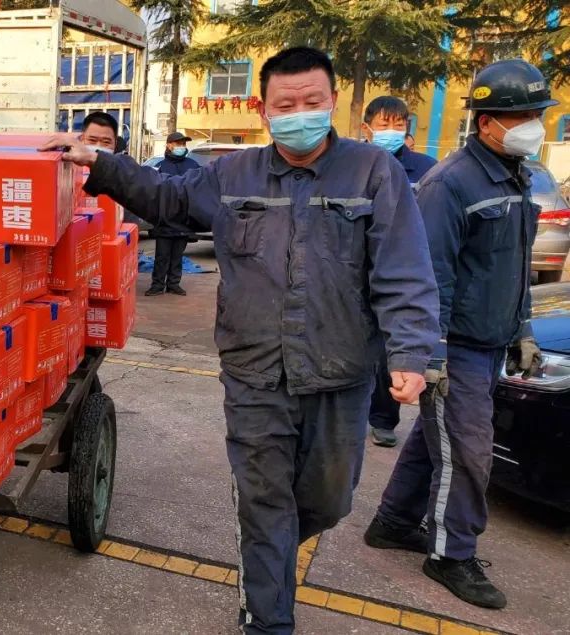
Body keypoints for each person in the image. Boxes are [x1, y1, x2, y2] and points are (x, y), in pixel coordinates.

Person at [42, 46, 439, 634]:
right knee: (263, 500)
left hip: (339, 372)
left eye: (312, 102)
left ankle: (273, 547)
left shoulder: (373, 173)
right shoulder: (233, 174)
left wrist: (409, 351)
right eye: (286, 105)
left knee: (329, 500)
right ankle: (267, 617)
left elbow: (403, 267)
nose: (299, 114)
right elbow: (168, 198)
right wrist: (98, 162)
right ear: (264, 109)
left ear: (333, 101)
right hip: (255, 372)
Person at [364, 59, 555, 611]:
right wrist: (432, 356)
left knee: (439, 439)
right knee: (469, 454)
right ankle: (452, 555)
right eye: (522, 115)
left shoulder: (514, 175)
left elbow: (512, 267)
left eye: (537, 113)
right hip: (457, 348)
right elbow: (429, 277)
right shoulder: (450, 184)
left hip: (491, 343)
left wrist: (522, 329)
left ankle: (394, 522)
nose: (533, 125)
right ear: (487, 121)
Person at [360, 96, 439, 448]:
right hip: (357, 273)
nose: (390, 131)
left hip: (401, 269)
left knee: (391, 351)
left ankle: (383, 419)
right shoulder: (352, 166)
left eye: (398, 124)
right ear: (367, 128)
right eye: (383, 124)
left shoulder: (427, 170)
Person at [146, 131, 200, 296]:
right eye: (178, 144)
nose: (181, 147)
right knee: (162, 255)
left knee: (177, 255)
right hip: (164, 218)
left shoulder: (193, 165)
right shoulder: (159, 166)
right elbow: (152, 191)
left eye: (183, 144)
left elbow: (199, 188)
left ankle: (173, 284)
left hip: (184, 219)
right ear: (169, 145)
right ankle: (157, 285)